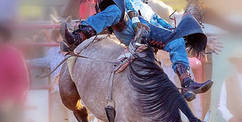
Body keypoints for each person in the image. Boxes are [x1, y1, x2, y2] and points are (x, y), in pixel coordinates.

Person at [60, 0, 212, 101]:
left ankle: (187, 82)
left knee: (176, 39)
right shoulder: (124, 2)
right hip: (127, 24)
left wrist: (175, 33)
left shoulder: (149, 8)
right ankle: (78, 37)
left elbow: (161, 24)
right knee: (115, 11)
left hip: (146, 29)